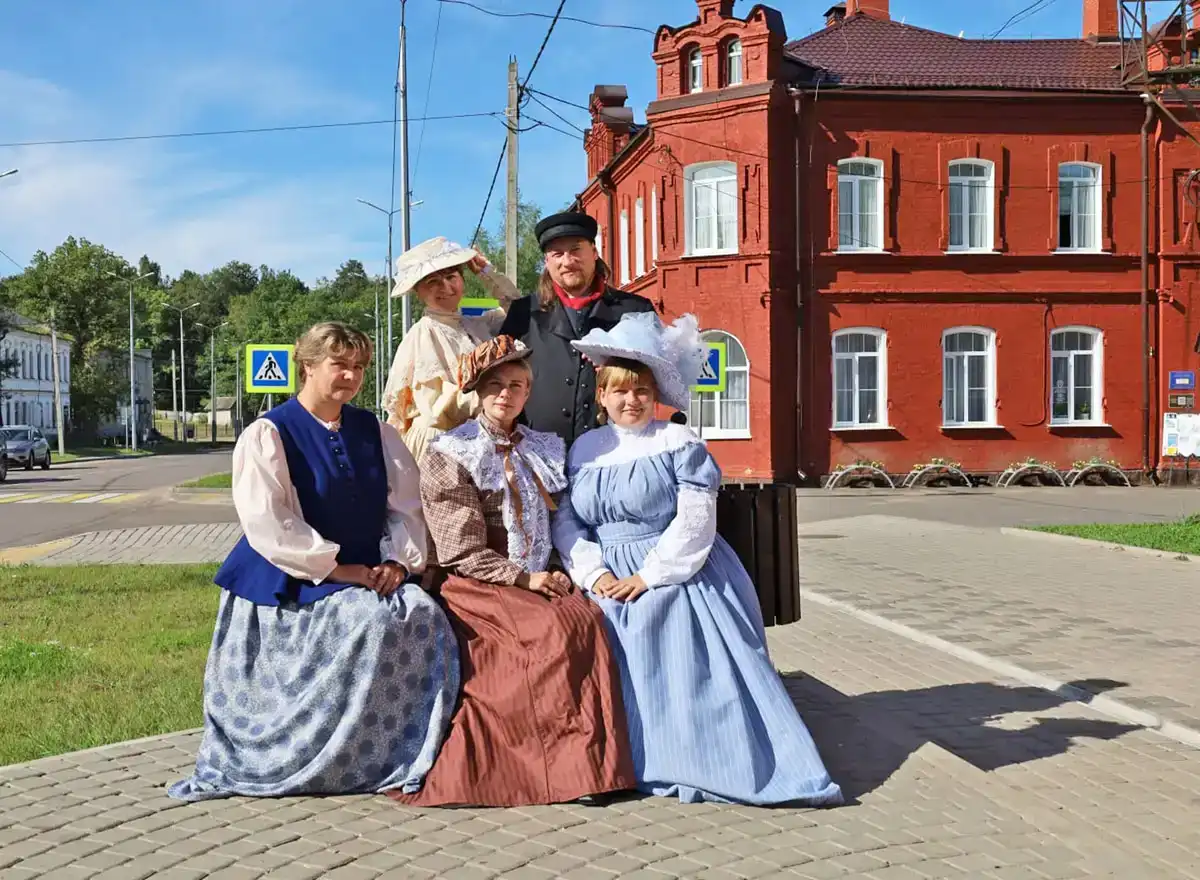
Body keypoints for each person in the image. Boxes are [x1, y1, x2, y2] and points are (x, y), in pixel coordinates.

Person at [552, 311, 843, 807]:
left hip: (676, 568)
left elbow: (694, 520)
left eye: (641, 390)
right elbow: (568, 521)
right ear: (601, 395)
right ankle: (608, 759)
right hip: (602, 572)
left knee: (658, 619)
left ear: (655, 394)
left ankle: (696, 755)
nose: (631, 400)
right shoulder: (585, 449)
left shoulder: (676, 441)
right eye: (620, 390)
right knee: (581, 627)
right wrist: (594, 572)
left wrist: (649, 576)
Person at [169, 322, 459, 802]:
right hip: (291, 575)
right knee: (363, 620)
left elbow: (405, 508)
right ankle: (322, 752)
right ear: (307, 367)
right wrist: (335, 568)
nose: (350, 376)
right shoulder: (270, 433)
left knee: (424, 614)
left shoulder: (377, 432)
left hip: (370, 567)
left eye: (359, 367)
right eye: (339, 365)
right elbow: (269, 520)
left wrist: (398, 564)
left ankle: (386, 747)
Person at [389, 335, 636, 808]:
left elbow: (563, 517)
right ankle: (548, 772)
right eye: (497, 385)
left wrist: (564, 570)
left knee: (587, 620)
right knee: (547, 631)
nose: (507, 394)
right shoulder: (452, 452)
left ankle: (590, 767)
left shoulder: (542, 446)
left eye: (518, 385)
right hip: (478, 580)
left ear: (528, 393)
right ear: (478, 391)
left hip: (541, 574)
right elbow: (459, 548)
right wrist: (524, 578)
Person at [499, 211, 656, 447]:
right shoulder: (523, 313)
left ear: (594, 252)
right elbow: (503, 378)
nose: (567, 261)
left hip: (616, 449)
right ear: (547, 262)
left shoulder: (634, 311)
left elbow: (657, 375)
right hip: (537, 452)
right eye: (557, 254)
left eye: (575, 250)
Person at [382, 236, 522, 462]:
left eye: (451, 277)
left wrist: (485, 271)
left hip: (480, 437)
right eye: (432, 282)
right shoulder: (423, 334)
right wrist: (496, 400)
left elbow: (518, 308)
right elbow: (437, 407)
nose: (445, 287)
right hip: (442, 443)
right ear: (418, 292)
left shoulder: (475, 324)